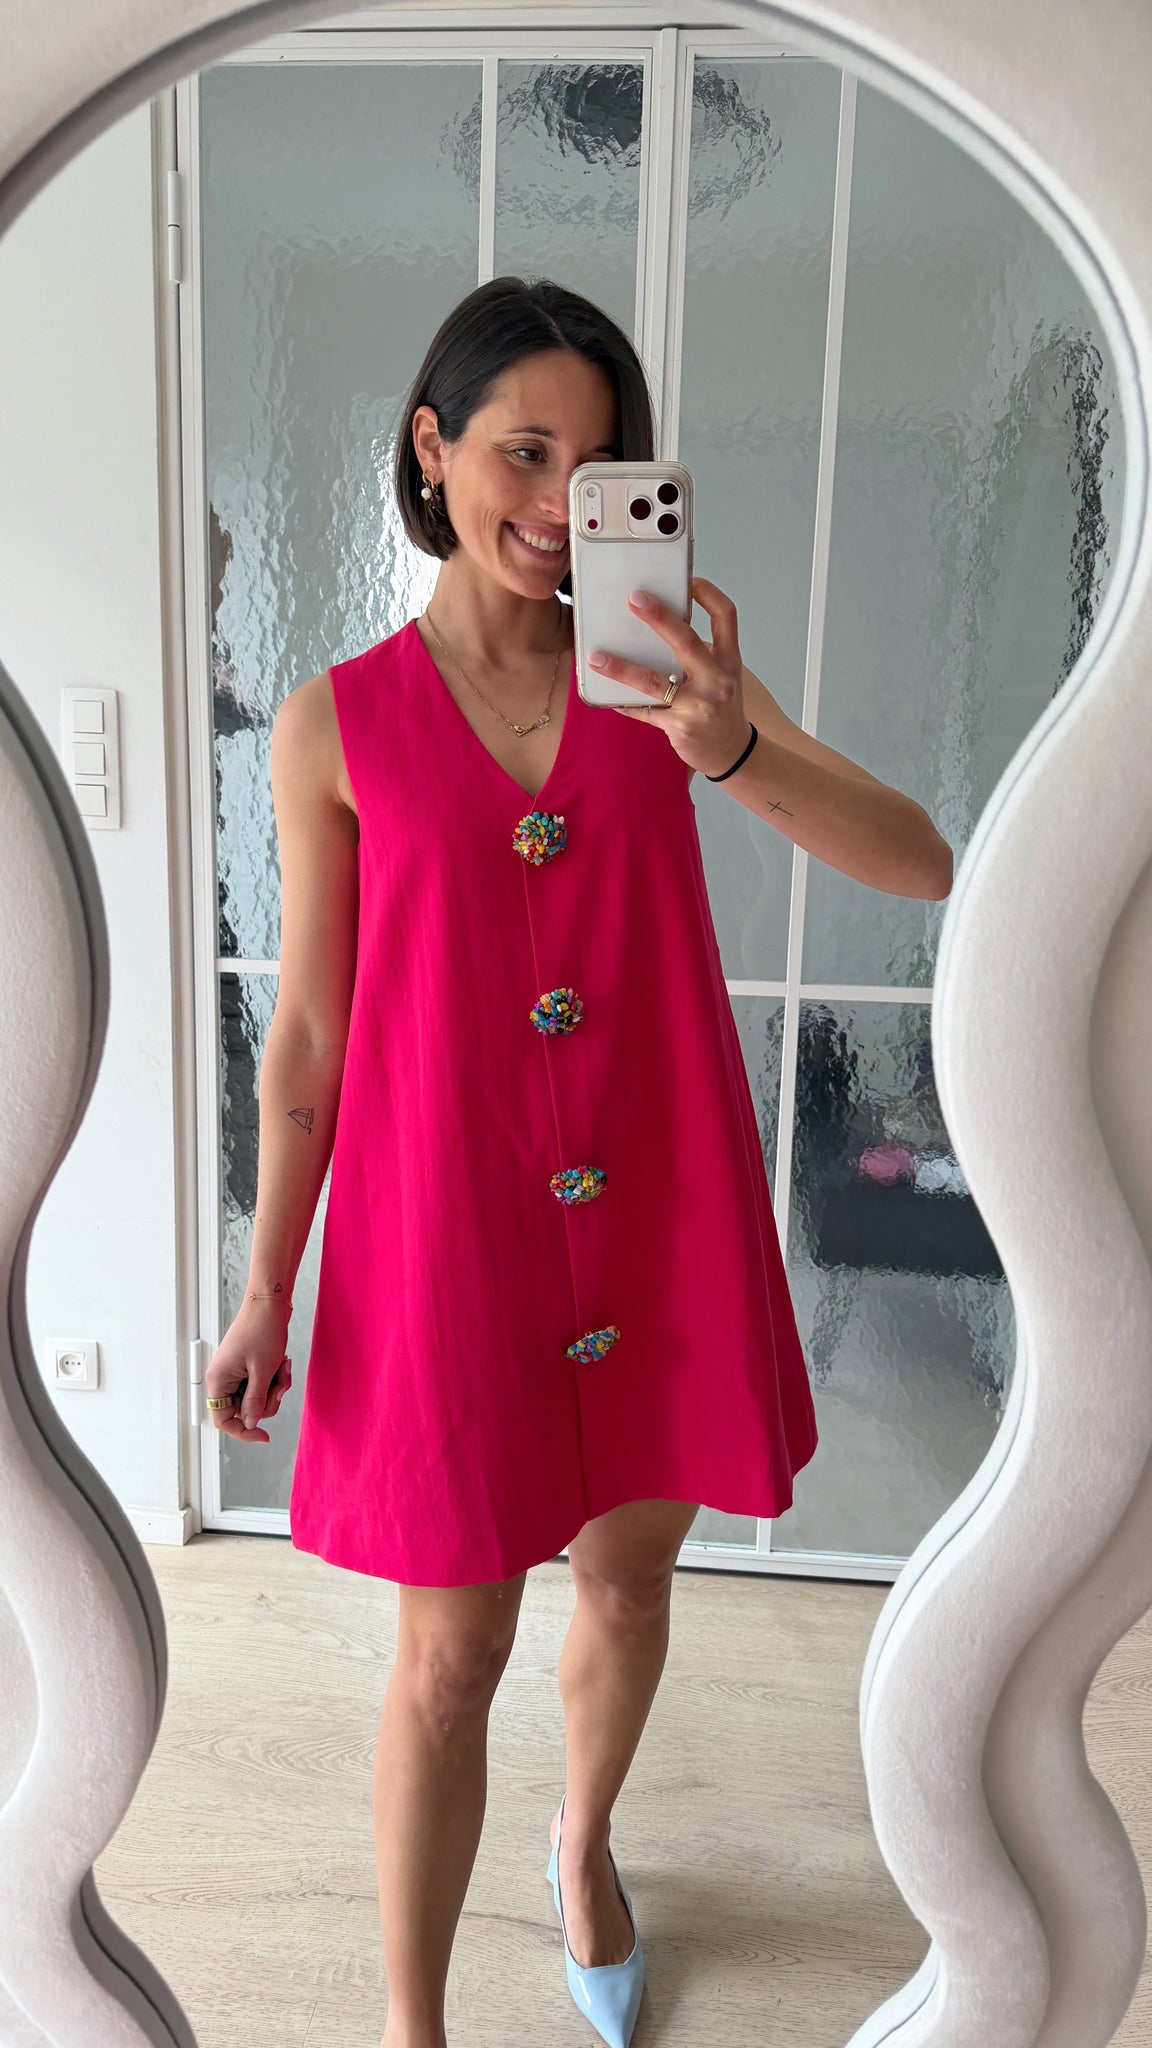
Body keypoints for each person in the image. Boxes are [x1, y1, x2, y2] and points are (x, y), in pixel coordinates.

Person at [204, 275, 952, 2048]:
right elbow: (306, 1034)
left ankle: (586, 1844)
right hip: (448, 1228)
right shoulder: (334, 725)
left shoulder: (664, 674)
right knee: (447, 1659)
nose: (558, 502)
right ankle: (415, 2026)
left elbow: (920, 863)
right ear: (432, 447)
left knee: (627, 1579)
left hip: (655, 1210)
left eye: (600, 465)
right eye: (523, 452)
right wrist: (266, 1281)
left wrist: (732, 739)